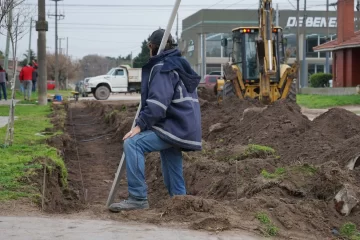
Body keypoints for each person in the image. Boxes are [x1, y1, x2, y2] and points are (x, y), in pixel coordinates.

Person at [109, 29, 202, 212]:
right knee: (170, 152)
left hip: (174, 125)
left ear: (153, 47)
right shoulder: (179, 64)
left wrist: (140, 125)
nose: (149, 49)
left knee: (133, 144)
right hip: (184, 126)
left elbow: (158, 104)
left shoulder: (163, 67)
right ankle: (180, 201)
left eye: (149, 46)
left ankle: (137, 198)